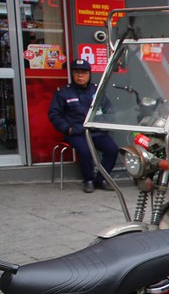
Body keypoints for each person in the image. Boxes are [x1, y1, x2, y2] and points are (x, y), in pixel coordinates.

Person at [48, 58, 118, 193]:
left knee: (112, 149)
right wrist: (67, 129)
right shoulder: (63, 93)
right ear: (72, 74)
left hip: (96, 131)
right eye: (76, 72)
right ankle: (89, 180)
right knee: (85, 151)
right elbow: (54, 115)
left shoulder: (97, 91)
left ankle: (102, 179)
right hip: (76, 132)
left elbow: (109, 110)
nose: (80, 75)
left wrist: (104, 123)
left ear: (89, 74)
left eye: (84, 72)